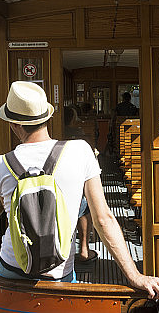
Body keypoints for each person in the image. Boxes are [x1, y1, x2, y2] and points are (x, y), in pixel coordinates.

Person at [0, 81, 159, 299]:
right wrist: (135, 276)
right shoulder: (80, 151)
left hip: (11, 269)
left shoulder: (1, 164)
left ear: (13, 124)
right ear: (48, 117)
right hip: (57, 273)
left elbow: (8, 211)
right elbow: (103, 219)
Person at [62, 106, 96, 263]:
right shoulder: (80, 137)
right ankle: (84, 249)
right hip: (77, 179)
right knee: (84, 207)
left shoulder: (56, 135)